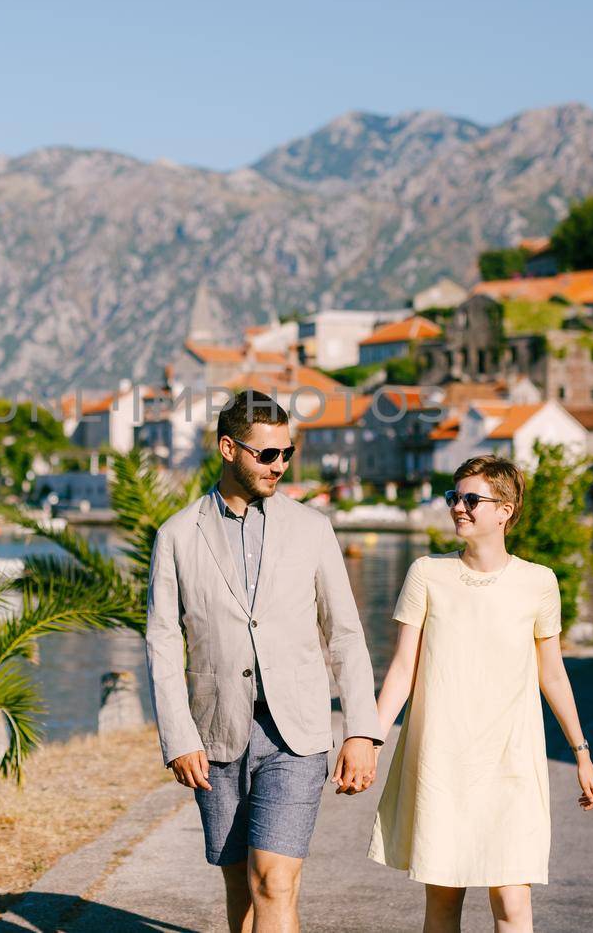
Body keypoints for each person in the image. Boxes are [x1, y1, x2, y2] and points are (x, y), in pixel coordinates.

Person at [145, 390, 383, 933]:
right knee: (240, 887)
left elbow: (344, 634)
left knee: (274, 881)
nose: (279, 465)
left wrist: (361, 731)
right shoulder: (177, 535)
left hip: (295, 732)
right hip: (215, 733)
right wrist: (178, 737)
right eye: (266, 454)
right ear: (229, 449)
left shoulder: (312, 528)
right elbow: (162, 641)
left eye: (286, 453)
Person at [368, 454, 593, 933]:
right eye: (455, 497)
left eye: (472, 499)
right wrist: (368, 740)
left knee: (513, 905)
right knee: (443, 902)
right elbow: (402, 669)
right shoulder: (427, 574)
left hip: (511, 762)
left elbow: (553, 673)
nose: (459, 508)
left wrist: (582, 753)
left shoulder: (538, 582)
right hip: (443, 761)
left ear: (506, 509)